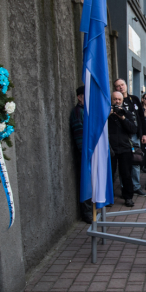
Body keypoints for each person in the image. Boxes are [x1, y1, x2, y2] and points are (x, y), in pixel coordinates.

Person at [114, 78, 146, 196]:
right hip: (122, 137)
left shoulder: (134, 99)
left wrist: (144, 134)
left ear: (126, 85)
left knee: (136, 160)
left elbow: (141, 118)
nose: (121, 87)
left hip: (135, 135)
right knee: (124, 163)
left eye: (122, 84)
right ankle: (125, 188)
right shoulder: (115, 101)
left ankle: (136, 186)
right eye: (118, 86)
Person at [108, 91, 137, 206]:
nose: (117, 101)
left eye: (119, 99)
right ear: (111, 100)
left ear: (122, 101)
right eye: (115, 99)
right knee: (110, 174)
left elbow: (133, 129)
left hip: (125, 148)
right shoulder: (106, 113)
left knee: (126, 174)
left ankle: (128, 197)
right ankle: (108, 197)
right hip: (111, 149)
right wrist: (108, 115)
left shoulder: (127, 113)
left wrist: (123, 118)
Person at [69, 86, 92, 222]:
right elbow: (79, 135)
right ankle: (87, 212)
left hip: (90, 152)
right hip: (84, 154)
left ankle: (91, 209)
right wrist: (86, 154)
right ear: (79, 97)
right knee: (86, 183)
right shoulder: (78, 112)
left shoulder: (87, 111)